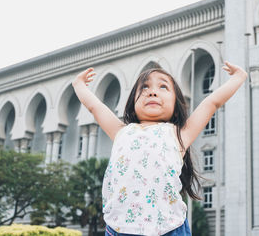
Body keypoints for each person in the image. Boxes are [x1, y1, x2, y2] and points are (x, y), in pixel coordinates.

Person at [72, 61, 248, 236]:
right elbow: (95, 107)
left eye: (163, 87)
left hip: (169, 228)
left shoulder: (180, 135)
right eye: (144, 87)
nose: (152, 91)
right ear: (133, 103)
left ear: (176, 108)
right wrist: (79, 85)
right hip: (120, 228)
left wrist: (238, 78)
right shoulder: (121, 132)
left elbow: (212, 103)